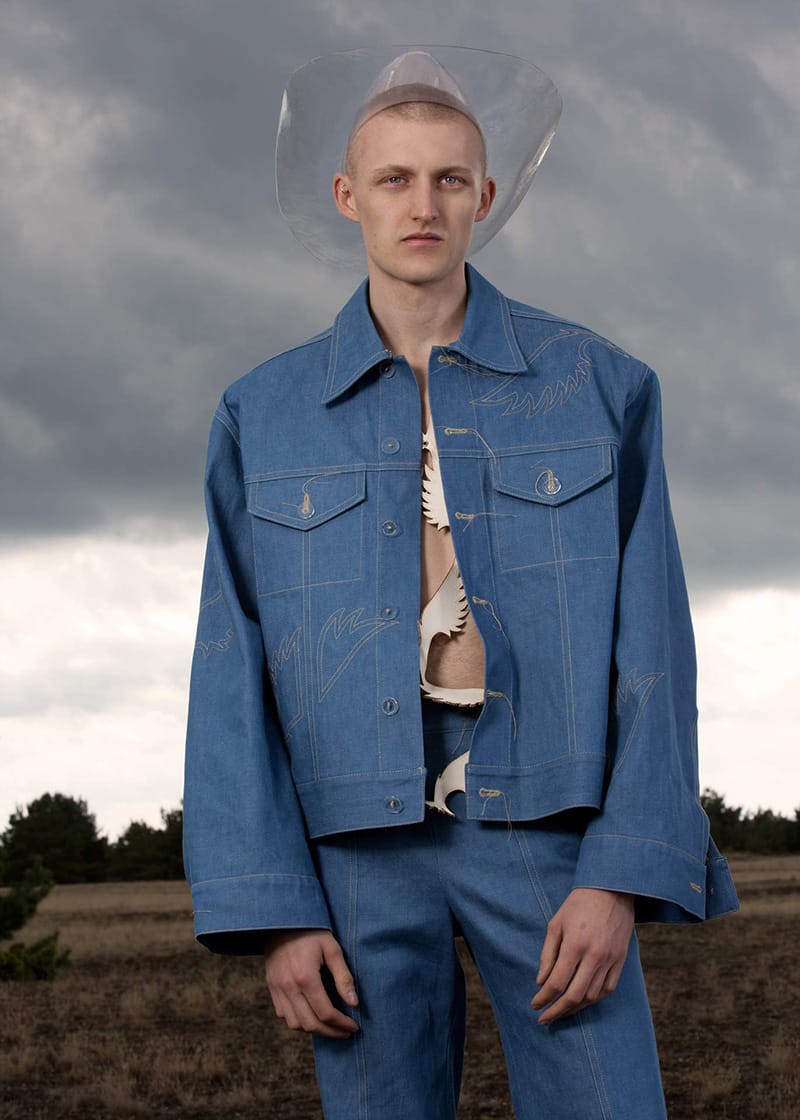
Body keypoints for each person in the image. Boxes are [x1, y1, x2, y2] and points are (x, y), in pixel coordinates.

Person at [183, 45, 739, 1119]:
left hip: (550, 820)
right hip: (354, 842)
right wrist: (276, 907)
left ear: (484, 196)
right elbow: (229, 661)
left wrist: (618, 870)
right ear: (347, 195)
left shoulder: (600, 385)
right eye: (394, 178)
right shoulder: (263, 412)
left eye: (448, 179)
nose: (422, 204)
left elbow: (654, 644)